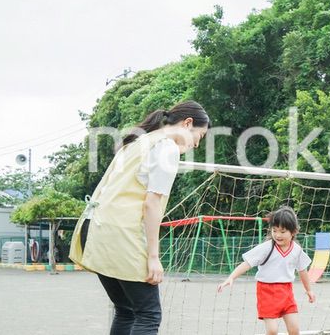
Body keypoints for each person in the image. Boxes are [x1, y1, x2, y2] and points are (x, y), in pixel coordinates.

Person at [70, 101, 210, 335]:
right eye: (200, 135)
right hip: (121, 234)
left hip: (95, 228)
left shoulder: (138, 141)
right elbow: (151, 204)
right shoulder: (167, 148)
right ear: (188, 123)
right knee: (148, 314)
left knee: (125, 310)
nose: (197, 142)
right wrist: (153, 257)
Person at [218, 206, 316, 335]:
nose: (277, 235)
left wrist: (309, 290)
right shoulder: (266, 247)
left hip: (286, 292)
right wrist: (231, 277)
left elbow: (302, 271)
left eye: (282, 231)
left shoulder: (296, 250)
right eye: (274, 230)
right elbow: (247, 263)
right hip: (266, 291)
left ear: (293, 232)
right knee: (272, 330)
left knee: (294, 330)